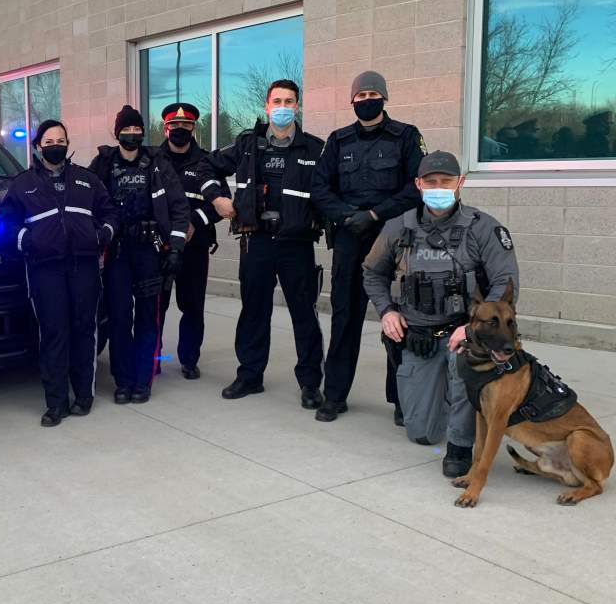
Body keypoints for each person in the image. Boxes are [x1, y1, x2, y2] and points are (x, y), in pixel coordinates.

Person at [362, 150, 519, 478]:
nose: (438, 187)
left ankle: (460, 446)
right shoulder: (398, 227)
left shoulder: (483, 228)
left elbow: (506, 283)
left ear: (460, 182)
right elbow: (372, 272)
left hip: (463, 334)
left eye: (446, 181)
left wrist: (473, 329)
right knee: (421, 433)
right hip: (419, 335)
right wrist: (387, 311)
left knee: (462, 369)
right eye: (430, 181)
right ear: (418, 184)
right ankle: (443, 395)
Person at [198, 79, 325, 407]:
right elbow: (206, 166)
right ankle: (250, 376)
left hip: (297, 244)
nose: (283, 107)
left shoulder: (316, 149)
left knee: (304, 314)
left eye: (289, 102)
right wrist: (217, 199)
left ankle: (310, 383)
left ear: (297, 107)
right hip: (256, 243)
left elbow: (332, 191)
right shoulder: (247, 144)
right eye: (277, 102)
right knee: (254, 311)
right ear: (267, 107)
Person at [310, 70, 425, 424]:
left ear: (384, 98)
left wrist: (375, 214)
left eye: (373, 94)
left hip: (393, 236)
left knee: (399, 318)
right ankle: (335, 396)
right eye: (360, 96)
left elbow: (417, 185)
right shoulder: (338, 140)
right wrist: (347, 216)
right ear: (352, 100)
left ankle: (403, 401)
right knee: (345, 317)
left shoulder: (406, 136)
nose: (367, 100)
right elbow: (319, 187)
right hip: (349, 236)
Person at [1, 120, 118, 426]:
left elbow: (110, 212)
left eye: (61, 141)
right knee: (54, 334)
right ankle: (56, 404)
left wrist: (103, 235)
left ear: (68, 144)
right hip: (45, 269)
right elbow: (7, 223)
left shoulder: (86, 180)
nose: (56, 146)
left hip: (84, 266)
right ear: (38, 147)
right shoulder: (23, 184)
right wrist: (28, 241)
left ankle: (83, 396)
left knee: (84, 331)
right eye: (49, 141)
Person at [91, 106, 189, 404]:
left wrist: (176, 248)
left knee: (148, 318)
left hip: (149, 252)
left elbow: (179, 207)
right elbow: (88, 202)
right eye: (126, 130)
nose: (132, 134)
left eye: (137, 130)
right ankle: (123, 381)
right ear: (117, 133)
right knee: (119, 318)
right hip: (117, 253)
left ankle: (142, 381)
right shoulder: (103, 164)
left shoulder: (158, 163)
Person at [153, 103, 224, 380]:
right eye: (174, 125)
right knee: (156, 305)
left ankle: (189, 359)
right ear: (165, 128)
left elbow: (221, 203)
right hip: (159, 245)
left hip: (195, 246)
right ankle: (154, 358)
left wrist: (195, 221)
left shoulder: (207, 162)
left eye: (186, 125)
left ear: (194, 128)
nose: (180, 129)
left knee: (192, 305)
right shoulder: (152, 161)